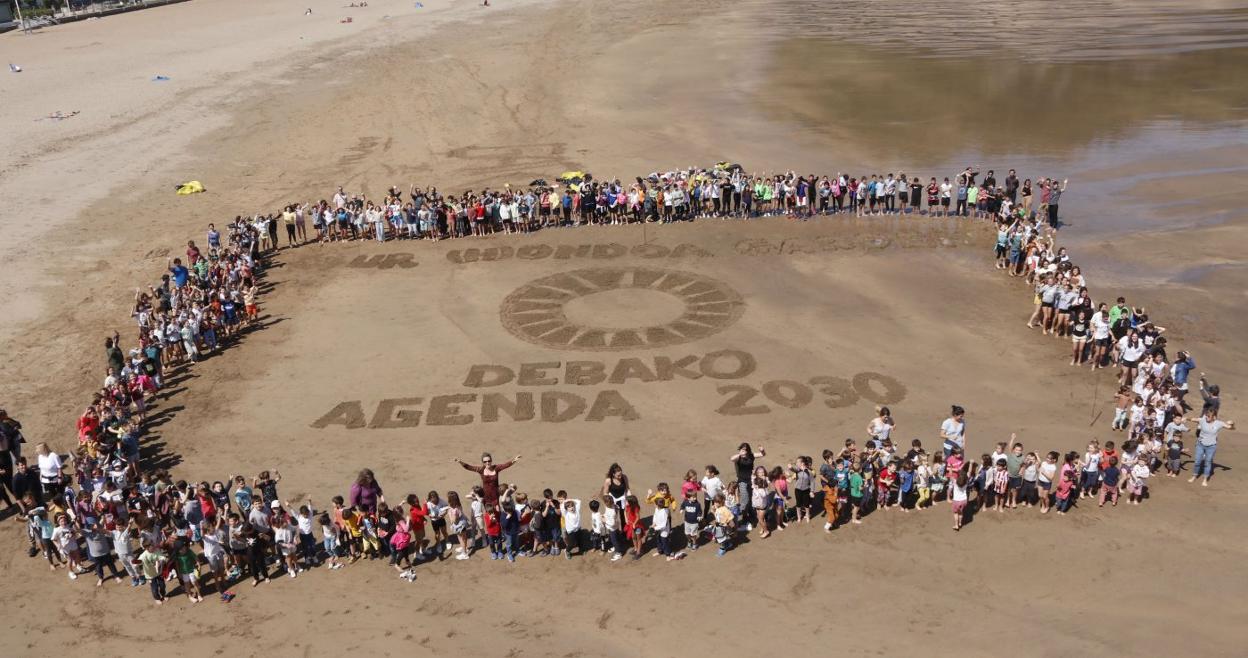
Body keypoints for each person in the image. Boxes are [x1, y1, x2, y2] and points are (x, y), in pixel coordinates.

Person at [454, 452, 519, 507]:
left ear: (491, 461)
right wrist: (460, 462)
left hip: (496, 495)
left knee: (497, 513)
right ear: (483, 462)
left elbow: (505, 465)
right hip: (486, 496)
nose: (487, 463)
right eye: (485, 461)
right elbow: (469, 467)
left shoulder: (496, 468)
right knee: (489, 513)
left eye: (489, 461)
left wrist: (513, 460)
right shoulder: (481, 470)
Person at [1189, 409, 1234, 486]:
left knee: (1208, 462)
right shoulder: (1202, 420)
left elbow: (1231, 428)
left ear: (1214, 417)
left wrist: (1232, 423)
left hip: (1211, 447)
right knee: (1197, 461)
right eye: (1206, 415)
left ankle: (1205, 479)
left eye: (1209, 416)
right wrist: (1185, 418)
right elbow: (1193, 419)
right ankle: (1194, 476)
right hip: (1200, 444)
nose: (1207, 417)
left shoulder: (1219, 423)